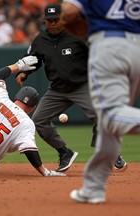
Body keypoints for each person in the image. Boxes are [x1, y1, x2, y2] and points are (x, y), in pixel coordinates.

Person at [15, 3, 127, 172]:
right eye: (49, 20)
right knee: (38, 121)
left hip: (83, 86)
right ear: (45, 21)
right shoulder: (41, 40)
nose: (52, 23)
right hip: (57, 89)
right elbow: (33, 58)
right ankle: (64, 152)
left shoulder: (77, 35)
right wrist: (25, 73)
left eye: (55, 20)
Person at [61, 0, 140, 203]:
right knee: (110, 128)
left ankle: (93, 188)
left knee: (110, 115)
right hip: (136, 47)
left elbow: (68, 12)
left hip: (110, 45)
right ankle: (93, 188)